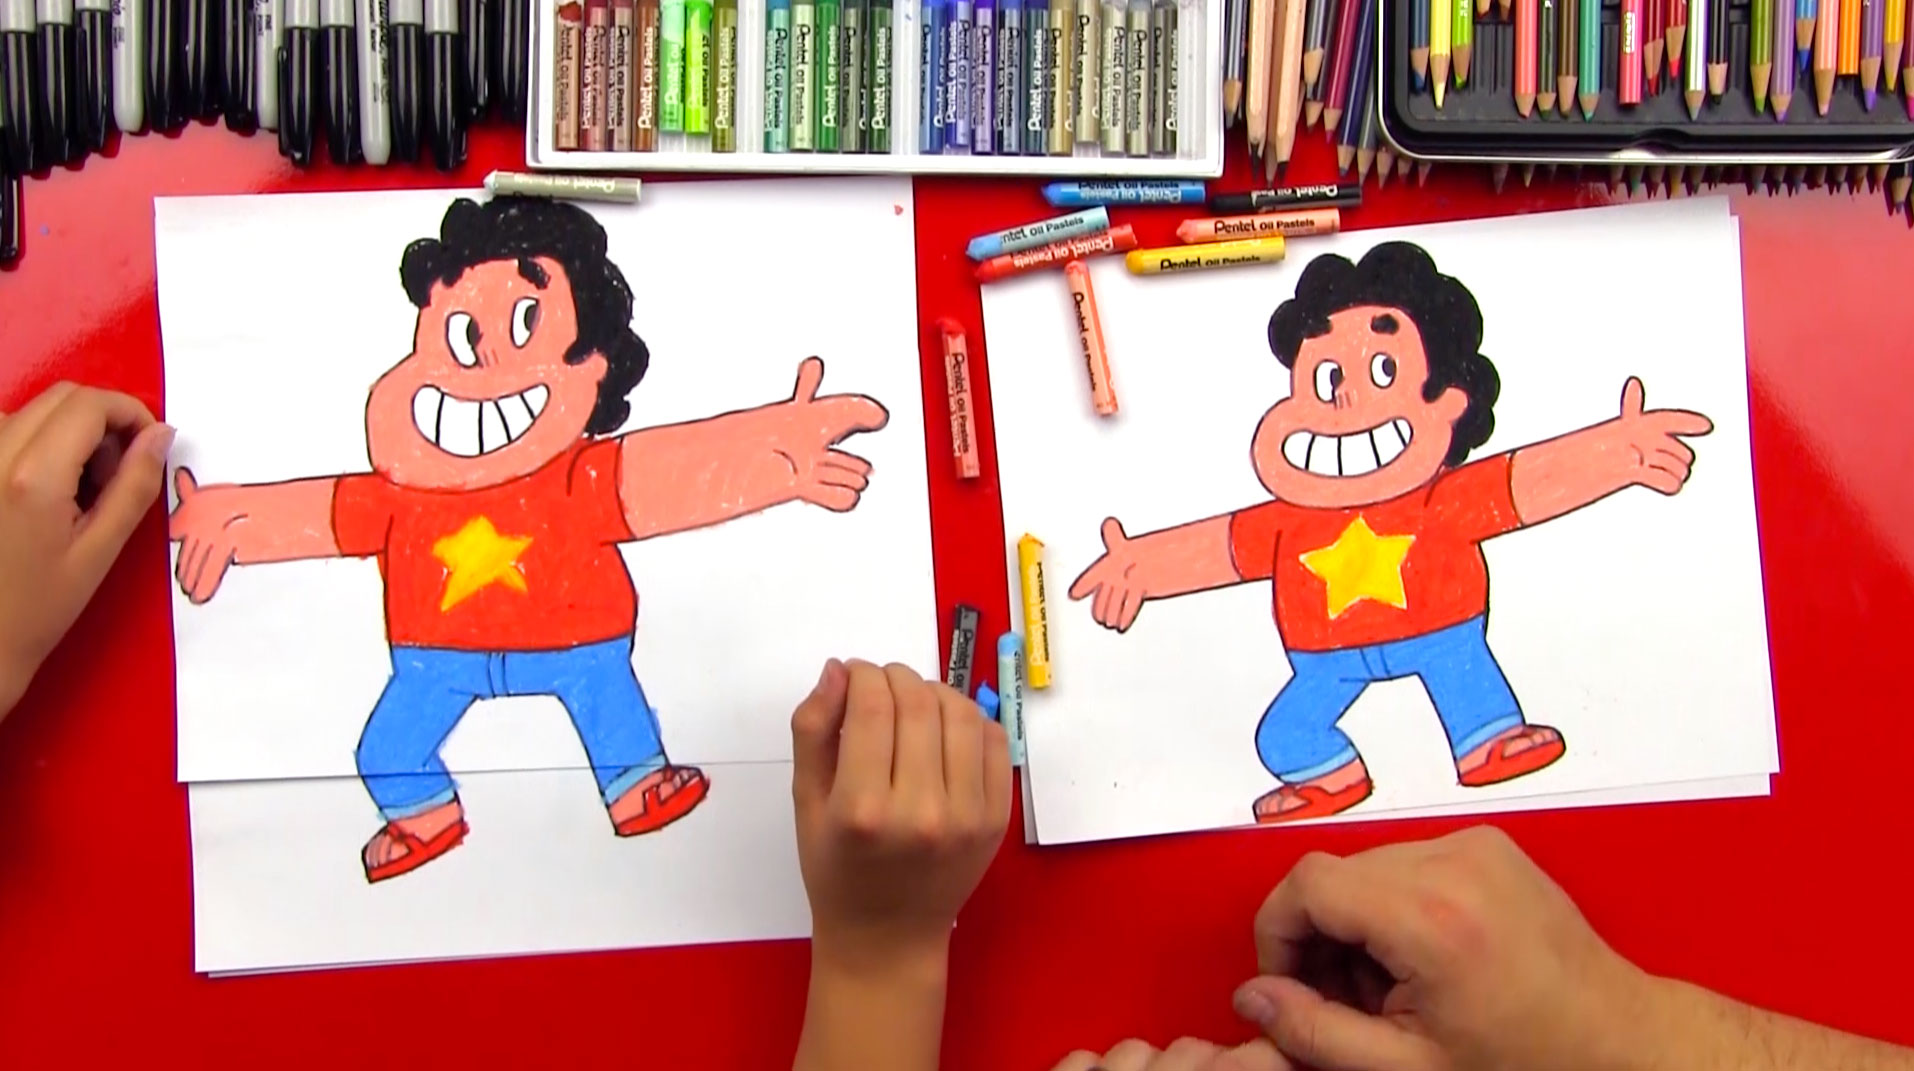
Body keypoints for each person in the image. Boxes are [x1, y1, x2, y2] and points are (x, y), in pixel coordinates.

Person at [3, 381, 1911, 1071]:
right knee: (1316, 700)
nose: (1336, 405)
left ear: (577, 374)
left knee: (594, 711)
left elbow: (665, 474)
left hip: (578, 651)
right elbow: (1207, 544)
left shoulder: (575, 477)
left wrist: (876, 962)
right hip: (1344, 687)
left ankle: (627, 769)